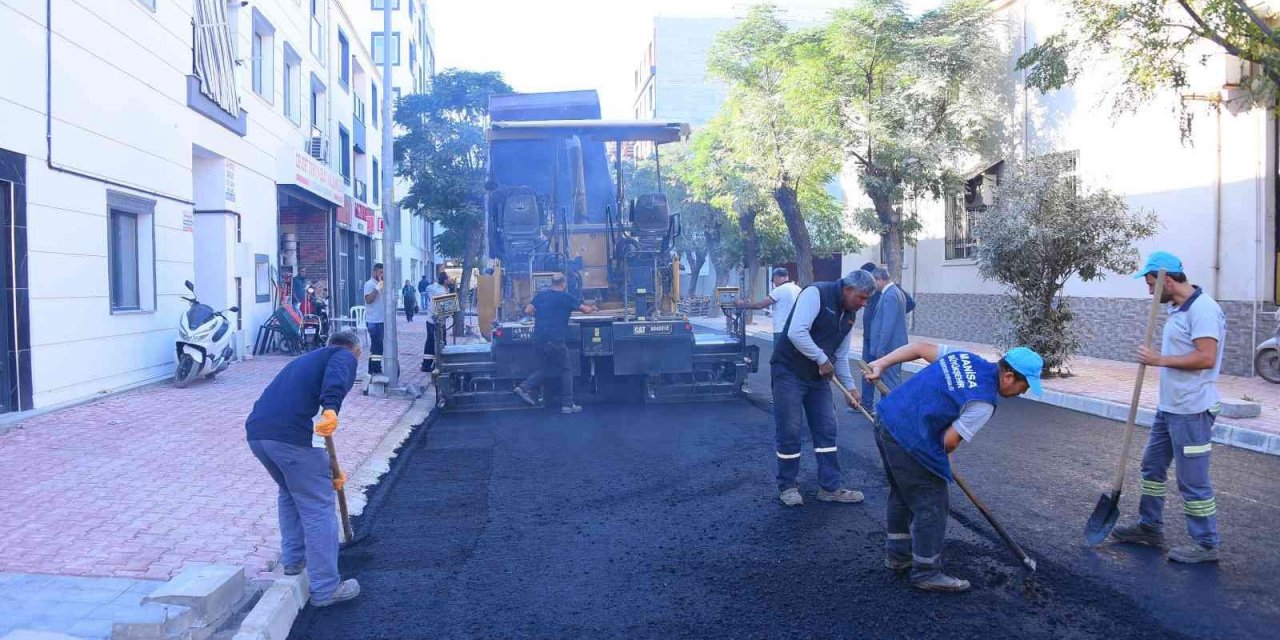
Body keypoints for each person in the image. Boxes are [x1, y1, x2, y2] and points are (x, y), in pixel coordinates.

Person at [866, 342, 1044, 592]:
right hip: (910, 440)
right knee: (933, 505)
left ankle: (897, 557)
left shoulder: (963, 357)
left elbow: (918, 348)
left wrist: (881, 363)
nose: (1022, 393)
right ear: (1009, 376)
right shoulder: (983, 402)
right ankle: (926, 572)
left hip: (885, 420)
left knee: (901, 493)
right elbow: (948, 441)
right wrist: (943, 461)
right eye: (1023, 387)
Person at [1111, 251, 1225, 564]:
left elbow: (1206, 357)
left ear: (1169, 282)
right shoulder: (1178, 308)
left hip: (1192, 410)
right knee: (1151, 466)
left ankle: (1206, 543)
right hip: (1170, 408)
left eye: (1151, 285)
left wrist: (1158, 359)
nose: (1149, 291)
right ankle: (1150, 527)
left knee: (1192, 480)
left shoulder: (1203, 310)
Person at [245, 331, 363, 607]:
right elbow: (337, 378)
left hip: (258, 435)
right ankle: (325, 590)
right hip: (287, 439)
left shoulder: (305, 360)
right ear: (354, 350)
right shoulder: (344, 355)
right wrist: (331, 409)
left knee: (289, 491)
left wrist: (330, 472)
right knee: (318, 507)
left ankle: (293, 560)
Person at [770, 269, 875, 508]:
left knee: (826, 428)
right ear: (848, 289)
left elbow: (840, 354)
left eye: (867, 299)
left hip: (818, 377)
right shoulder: (816, 293)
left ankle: (830, 488)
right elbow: (797, 332)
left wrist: (850, 388)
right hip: (789, 371)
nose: (864, 303)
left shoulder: (849, 315)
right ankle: (788, 486)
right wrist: (820, 358)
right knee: (790, 429)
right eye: (861, 297)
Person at [513, 273, 597, 414]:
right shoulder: (566, 297)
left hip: (539, 338)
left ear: (551, 283)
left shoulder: (542, 295)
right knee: (566, 370)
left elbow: (528, 310)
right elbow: (585, 310)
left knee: (544, 368)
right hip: (556, 340)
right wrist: (594, 307)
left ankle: (523, 387)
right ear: (563, 284)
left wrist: (543, 314)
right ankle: (567, 405)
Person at [859, 262, 916, 408]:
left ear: (879, 279)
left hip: (889, 346)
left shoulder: (891, 294)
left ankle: (894, 412)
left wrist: (881, 348)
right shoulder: (892, 293)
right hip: (885, 343)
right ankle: (885, 410)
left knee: (890, 381)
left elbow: (887, 326)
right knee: (884, 377)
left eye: (873, 281)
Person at [735, 267, 801, 346]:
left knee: (779, 357)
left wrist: (742, 304)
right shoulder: (798, 289)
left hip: (782, 330)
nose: (774, 283)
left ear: (776, 277)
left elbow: (760, 305)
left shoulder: (779, 290)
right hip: (796, 331)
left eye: (773, 280)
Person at [421, 272, 451, 372]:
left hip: (430, 319)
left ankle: (426, 364)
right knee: (440, 342)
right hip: (438, 321)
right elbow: (445, 308)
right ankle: (439, 364)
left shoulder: (433, 288)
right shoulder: (442, 291)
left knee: (430, 341)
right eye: (449, 279)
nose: (451, 280)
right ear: (445, 280)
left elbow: (428, 289)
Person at [363, 263, 385, 376]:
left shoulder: (381, 284)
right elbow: (368, 300)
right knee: (377, 345)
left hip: (381, 320)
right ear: (375, 272)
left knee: (378, 346)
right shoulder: (370, 284)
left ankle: (374, 368)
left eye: (383, 272)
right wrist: (377, 289)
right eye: (380, 272)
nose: (383, 274)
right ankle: (375, 369)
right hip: (373, 321)